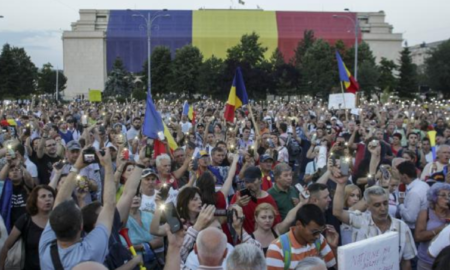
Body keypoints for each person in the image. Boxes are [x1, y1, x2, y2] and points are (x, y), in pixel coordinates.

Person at [38, 149, 118, 269]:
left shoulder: (45, 246)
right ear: (81, 227)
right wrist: (108, 166)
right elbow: (109, 205)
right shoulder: (91, 250)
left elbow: (59, 200)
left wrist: (77, 166)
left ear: (52, 226)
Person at [333, 179, 417, 269]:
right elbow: (337, 212)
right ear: (368, 206)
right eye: (377, 205)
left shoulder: (402, 227)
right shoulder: (360, 221)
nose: (383, 208)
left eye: (385, 203)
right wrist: (341, 184)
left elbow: (406, 262)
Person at [266, 204, 338, 270]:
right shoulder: (277, 248)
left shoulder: (319, 240)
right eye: (314, 232)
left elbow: (334, 265)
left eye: (320, 231)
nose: (317, 236)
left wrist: (333, 247)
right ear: (299, 224)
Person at [0, 185, 55, 270]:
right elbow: (7, 246)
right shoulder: (25, 219)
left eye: (50, 196)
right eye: (43, 196)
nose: (48, 199)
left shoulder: (59, 219)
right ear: (35, 200)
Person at [230, 166, 281, 234]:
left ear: (261, 181)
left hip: (263, 239)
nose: (249, 184)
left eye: (252, 181)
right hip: (244, 238)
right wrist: (237, 204)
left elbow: (276, 222)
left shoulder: (268, 199)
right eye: (247, 182)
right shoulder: (239, 196)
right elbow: (228, 215)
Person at [415, 183, 450, 270]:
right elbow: (418, 237)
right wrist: (441, 229)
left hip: (445, 263)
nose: (447, 198)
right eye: (443, 195)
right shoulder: (425, 213)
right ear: (434, 197)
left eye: (449, 195)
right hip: (426, 262)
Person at [397, 161, 430, 231]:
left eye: (399, 174)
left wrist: (401, 204)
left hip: (413, 229)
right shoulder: (424, 184)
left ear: (404, 176)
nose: (398, 177)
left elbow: (410, 218)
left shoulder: (414, 193)